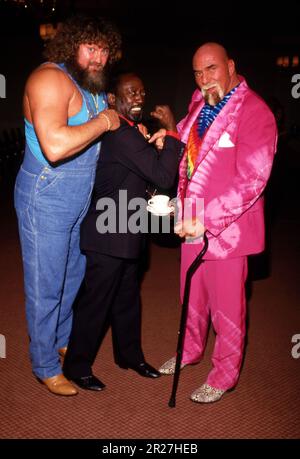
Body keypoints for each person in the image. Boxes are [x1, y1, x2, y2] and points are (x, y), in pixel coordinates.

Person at [156, 43, 277, 403]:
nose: (204, 78)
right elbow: (192, 152)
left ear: (231, 66)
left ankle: (223, 375)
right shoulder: (199, 105)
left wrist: (205, 221)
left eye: (211, 69)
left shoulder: (255, 111)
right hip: (191, 223)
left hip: (228, 230)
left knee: (227, 310)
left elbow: (252, 180)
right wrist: (170, 139)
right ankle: (189, 350)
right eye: (197, 72)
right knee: (191, 297)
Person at [14, 15, 122, 396]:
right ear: (70, 45)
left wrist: (124, 123)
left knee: (71, 276)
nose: (98, 57)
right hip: (46, 195)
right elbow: (56, 146)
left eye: (104, 49)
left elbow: (100, 126)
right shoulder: (48, 80)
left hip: (79, 198)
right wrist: (106, 121)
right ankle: (43, 364)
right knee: (46, 284)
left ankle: (61, 339)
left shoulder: (88, 84)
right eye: (90, 47)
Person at [62, 72, 182, 391]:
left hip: (125, 227)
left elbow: (144, 176)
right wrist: (170, 131)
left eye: (142, 91)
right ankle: (76, 365)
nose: (139, 97)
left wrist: (153, 145)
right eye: (131, 92)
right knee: (96, 303)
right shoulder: (122, 135)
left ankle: (129, 355)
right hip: (108, 233)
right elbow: (163, 176)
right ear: (113, 99)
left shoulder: (129, 133)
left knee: (127, 299)